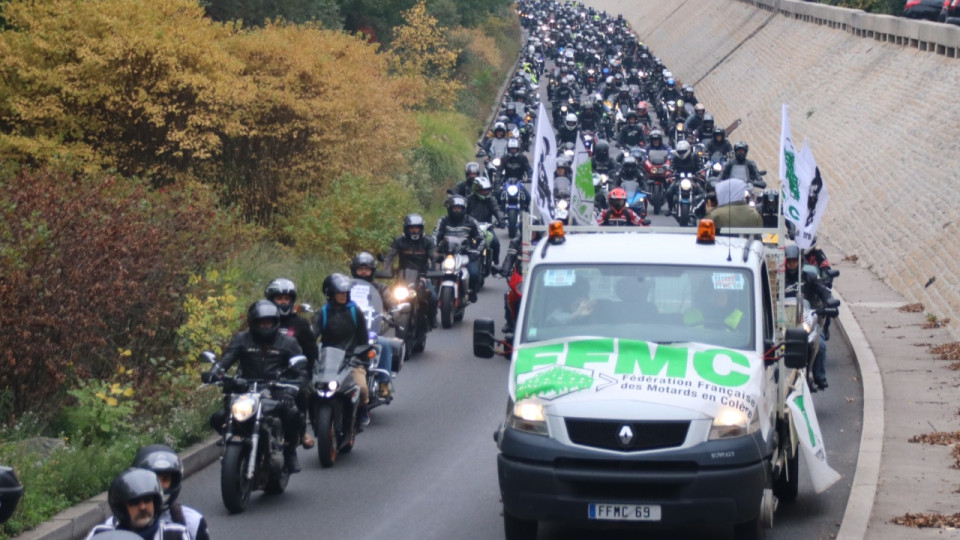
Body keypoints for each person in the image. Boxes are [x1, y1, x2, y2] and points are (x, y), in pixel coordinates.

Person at [205, 300, 306, 473]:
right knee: (218, 417)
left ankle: (290, 451)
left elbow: (301, 371)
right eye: (261, 323)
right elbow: (226, 360)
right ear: (253, 322)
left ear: (276, 322)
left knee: (293, 414)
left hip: (276, 389)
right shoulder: (242, 339)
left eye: (269, 322)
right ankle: (232, 441)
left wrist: (291, 389)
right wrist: (214, 373)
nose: (266, 326)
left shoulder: (288, 342)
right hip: (246, 389)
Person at [110, 445, 210, 540]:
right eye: (153, 479)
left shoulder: (192, 521)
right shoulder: (110, 527)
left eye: (165, 479)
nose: (159, 486)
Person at [313, 273, 372, 425]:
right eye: (339, 292)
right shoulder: (322, 313)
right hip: (327, 361)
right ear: (330, 294)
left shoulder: (355, 312)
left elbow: (363, 339)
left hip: (351, 360)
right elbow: (312, 337)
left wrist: (363, 361)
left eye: (346, 292)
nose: (344, 295)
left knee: (362, 388)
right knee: (309, 389)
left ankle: (362, 409)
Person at [784, 244, 838, 390]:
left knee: (820, 345)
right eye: (789, 262)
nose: (792, 265)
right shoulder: (780, 279)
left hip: (806, 319)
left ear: (799, 261)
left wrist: (829, 302)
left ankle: (818, 376)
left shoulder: (809, 276)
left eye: (794, 261)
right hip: (784, 322)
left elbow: (823, 291)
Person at [86, 469, 190, 540]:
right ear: (121, 508)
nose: (142, 507)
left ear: (155, 503)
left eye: (147, 500)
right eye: (134, 503)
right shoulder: (100, 534)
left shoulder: (176, 534)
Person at [349, 252, 396, 397]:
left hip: (370, 330)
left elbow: (391, 304)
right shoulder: (346, 287)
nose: (363, 272)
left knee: (385, 344)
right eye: (360, 269)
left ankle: (384, 383)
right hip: (348, 330)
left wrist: (393, 313)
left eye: (367, 269)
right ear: (354, 270)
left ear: (372, 271)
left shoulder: (381, 288)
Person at [382, 214, 439, 329]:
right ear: (406, 229)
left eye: (417, 228)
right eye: (411, 228)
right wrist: (385, 270)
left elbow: (434, 258)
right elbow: (390, 256)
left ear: (421, 228)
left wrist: (436, 269)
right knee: (388, 297)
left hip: (422, 276)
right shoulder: (399, 241)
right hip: (403, 277)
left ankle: (432, 319)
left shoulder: (427, 241)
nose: (414, 231)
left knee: (433, 298)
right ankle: (387, 318)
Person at [436, 195, 484, 302]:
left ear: (463, 209)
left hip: (465, 254)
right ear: (450, 208)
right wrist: (435, 250)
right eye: (454, 208)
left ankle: (471, 292)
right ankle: (434, 297)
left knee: (474, 274)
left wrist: (476, 252)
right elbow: (436, 236)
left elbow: (481, 238)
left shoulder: (471, 221)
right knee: (432, 273)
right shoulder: (443, 220)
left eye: (459, 208)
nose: (457, 211)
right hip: (446, 254)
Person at [466, 177, 503, 264]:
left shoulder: (491, 200)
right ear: (476, 189)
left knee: (495, 243)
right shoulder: (469, 200)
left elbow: (497, 210)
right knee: (464, 243)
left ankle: (495, 263)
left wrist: (501, 220)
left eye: (487, 190)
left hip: (487, 228)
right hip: (471, 229)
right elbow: (462, 212)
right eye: (483, 190)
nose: (485, 192)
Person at [665, 141, 704, 215]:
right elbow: (672, 166)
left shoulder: (694, 157)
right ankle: (670, 208)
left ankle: (700, 210)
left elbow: (700, 166)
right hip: (679, 179)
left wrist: (702, 173)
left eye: (683, 151)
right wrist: (669, 172)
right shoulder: (676, 158)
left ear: (688, 150)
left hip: (693, 180)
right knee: (668, 192)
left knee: (703, 194)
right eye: (680, 151)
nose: (681, 153)